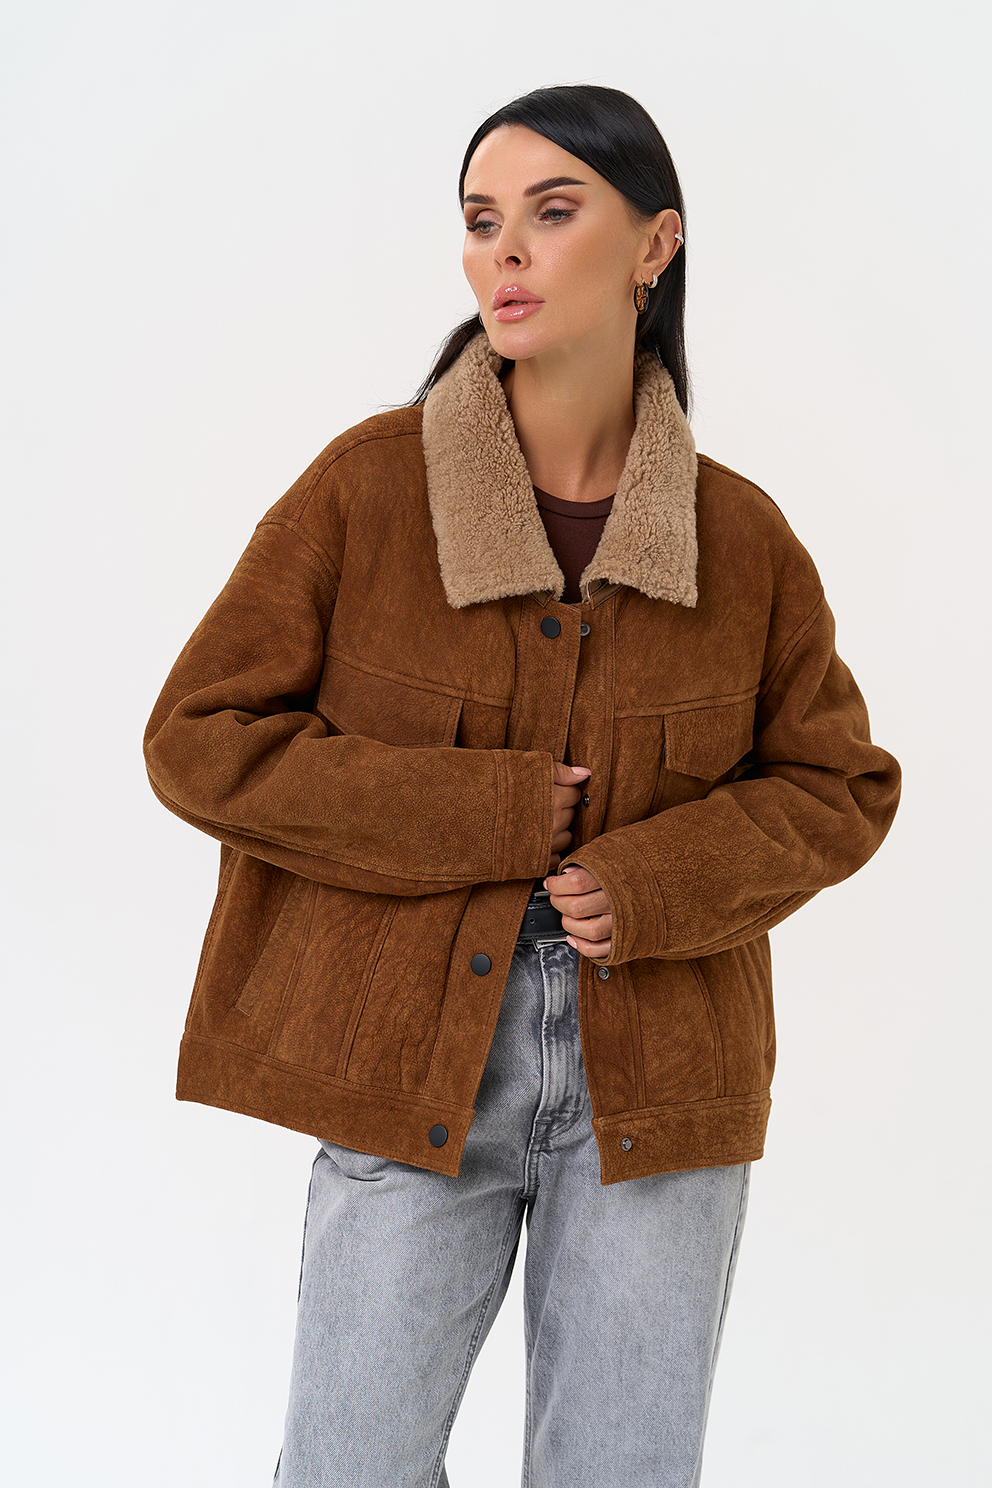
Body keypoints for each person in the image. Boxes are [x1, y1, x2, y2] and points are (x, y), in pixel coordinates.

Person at [144, 84, 900, 1488]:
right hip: (407, 1055)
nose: (506, 251)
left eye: (554, 213)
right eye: (482, 220)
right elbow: (198, 735)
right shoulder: (368, 491)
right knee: (348, 1466)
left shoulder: (741, 539)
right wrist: (482, 813)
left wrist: (657, 880)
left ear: (655, 245)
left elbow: (837, 782)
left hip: (660, 1080)